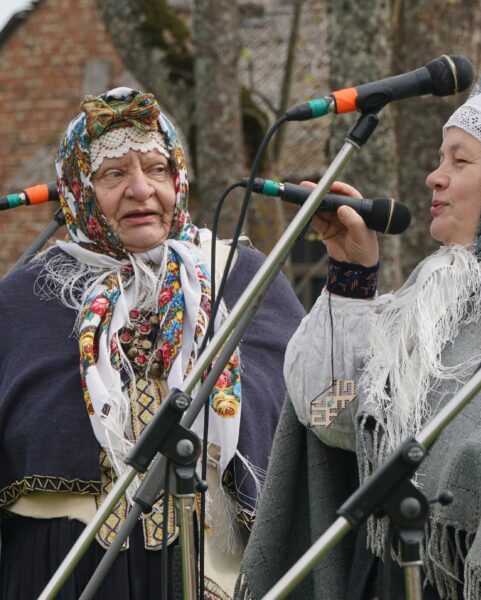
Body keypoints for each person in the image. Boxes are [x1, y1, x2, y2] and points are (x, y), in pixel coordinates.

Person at [235, 67, 481, 600]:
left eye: (459, 161)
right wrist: (351, 275)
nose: (434, 177)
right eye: (439, 158)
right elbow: (330, 414)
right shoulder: (441, 295)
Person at [0, 87, 304, 599]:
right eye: (113, 174)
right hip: (63, 572)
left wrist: (352, 280)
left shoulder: (244, 278)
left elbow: (313, 412)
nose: (141, 189)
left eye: (157, 169)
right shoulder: (25, 299)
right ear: (77, 189)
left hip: (216, 574)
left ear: (178, 178)